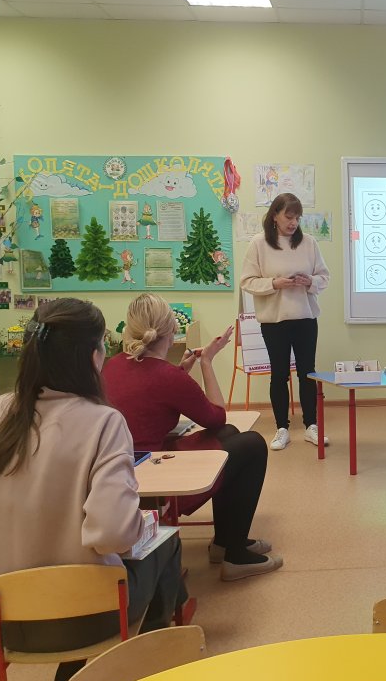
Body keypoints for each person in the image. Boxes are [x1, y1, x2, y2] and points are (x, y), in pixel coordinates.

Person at [0, 299, 187, 681]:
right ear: (93, 357)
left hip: (4, 619)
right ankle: (139, 668)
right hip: (88, 614)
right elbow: (112, 534)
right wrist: (131, 528)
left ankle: (81, 677)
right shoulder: (103, 422)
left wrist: (15, 538)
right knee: (165, 542)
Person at [103, 293, 280, 580]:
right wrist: (207, 362)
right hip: (154, 482)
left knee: (229, 435)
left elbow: (150, 391)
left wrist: (182, 371)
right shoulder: (167, 377)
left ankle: (226, 541)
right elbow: (216, 416)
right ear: (172, 331)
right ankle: (234, 555)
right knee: (252, 444)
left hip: (124, 469)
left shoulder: (114, 364)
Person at [240, 192, 330, 451]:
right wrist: (274, 283)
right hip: (274, 322)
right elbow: (247, 281)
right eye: (289, 217)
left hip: (305, 319)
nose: (293, 223)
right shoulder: (259, 243)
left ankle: (311, 426)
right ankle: (282, 429)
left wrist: (310, 281)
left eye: (297, 218)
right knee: (279, 375)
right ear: (275, 216)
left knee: (307, 373)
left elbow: (324, 277)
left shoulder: (309, 243)